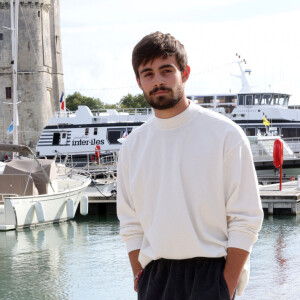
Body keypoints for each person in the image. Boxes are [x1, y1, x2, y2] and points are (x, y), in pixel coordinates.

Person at [117, 31, 264, 300]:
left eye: (166, 70)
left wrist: (225, 285)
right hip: (155, 278)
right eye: (148, 74)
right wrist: (141, 276)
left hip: (211, 274)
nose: (158, 81)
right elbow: (130, 224)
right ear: (139, 82)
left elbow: (246, 219)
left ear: (184, 73)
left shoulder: (225, 135)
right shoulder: (132, 147)